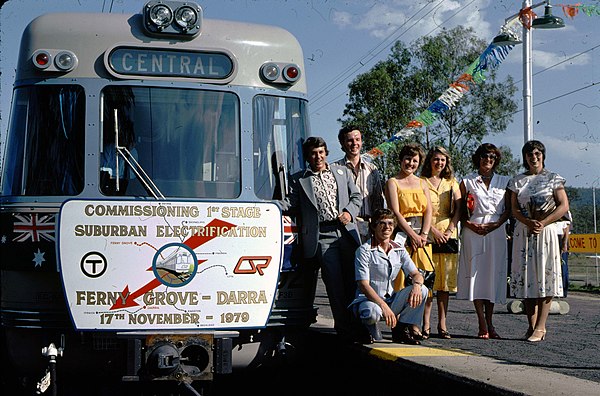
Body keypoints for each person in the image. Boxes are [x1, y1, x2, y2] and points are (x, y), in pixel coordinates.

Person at [277, 136, 362, 341]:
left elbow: (356, 197)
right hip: (322, 236)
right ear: (308, 156)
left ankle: (360, 327)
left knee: (355, 282)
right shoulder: (300, 179)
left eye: (321, 152)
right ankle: (344, 330)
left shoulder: (341, 172)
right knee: (335, 284)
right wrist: (268, 207)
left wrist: (350, 212)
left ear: (326, 153)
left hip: (346, 232)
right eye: (314, 153)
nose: (318, 157)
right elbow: (290, 202)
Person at [507, 140, 569, 342]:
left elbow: (563, 205)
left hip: (547, 232)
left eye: (537, 153)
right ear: (525, 157)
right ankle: (531, 325)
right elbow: (514, 208)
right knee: (527, 279)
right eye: (529, 154)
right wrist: (527, 221)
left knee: (545, 277)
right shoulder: (517, 181)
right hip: (524, 232)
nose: (534, 157)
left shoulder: (553, 178)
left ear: (542, 155)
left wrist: (543, 222)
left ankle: (541, 326)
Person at [350, 208, 429, 345]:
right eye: (382, 223)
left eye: (390, 224)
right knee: (371, 313)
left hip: (390, 299)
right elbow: (363, 285)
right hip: (369, 301)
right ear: (374, 226)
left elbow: (416, 274)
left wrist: (416, 285)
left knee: (423, 290)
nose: (387, 227)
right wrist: (383, 306)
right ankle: (363, 327)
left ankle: (400, 329)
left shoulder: (398, 249)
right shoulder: (364, 251)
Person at [456, 143, 511, 339]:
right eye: (485, 156)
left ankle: (491, 322)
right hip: (474, 230)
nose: (488, 160)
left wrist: (497, 225)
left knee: (492, 275)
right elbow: (459, 209)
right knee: (477, 276)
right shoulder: (467, 181)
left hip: (496, 231)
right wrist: (469, 225)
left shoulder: (504, 181)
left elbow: (508, 210)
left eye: (492, 157)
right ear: (478, 158)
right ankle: (481, 322)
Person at [385, 143, 433, 339]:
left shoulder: (422, 182)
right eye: (407, 159)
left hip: (421, 235)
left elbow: (429, 209)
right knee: (401, 280)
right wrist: (411, 236)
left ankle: (414, 324)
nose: (410, 163)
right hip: (402, 234)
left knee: (422, 280)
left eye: (415, 161)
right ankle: (398, 323)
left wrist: (423, 234)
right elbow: (395, 211)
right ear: (400, 159)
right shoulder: (393, 182)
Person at [420, 146, 462, 339]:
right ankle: (425, 323)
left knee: (444, 284)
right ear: (430, 161)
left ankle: (443, 324)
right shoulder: (421, 182)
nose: (439, 163)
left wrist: (449, 230)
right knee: (428, 281)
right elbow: (421, 209)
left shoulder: (452, 182)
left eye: (443, 160)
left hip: (448, 232)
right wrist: (433, 231)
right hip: (428, 232)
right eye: (436, 159)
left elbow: (458, 210)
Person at [334, 125, 385, 243]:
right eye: (350, 140)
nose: (354, 143)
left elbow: (378, 200)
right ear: (342, 144)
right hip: (345, 227)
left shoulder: (372, 169)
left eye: (357, 139)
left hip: (369, 227)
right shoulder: (335, 169)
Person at [555, 211, 573, 297]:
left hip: (560, 238)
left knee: (563, 265)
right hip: (551, 236)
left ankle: (563, 289)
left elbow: (567, 228)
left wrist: (564, 243)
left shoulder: (565, 211)